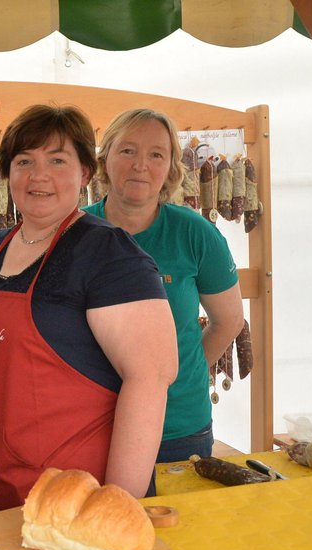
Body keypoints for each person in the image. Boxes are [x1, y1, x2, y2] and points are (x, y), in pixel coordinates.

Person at [0, 104, 178, 514]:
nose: (39, 176)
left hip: (71, 499)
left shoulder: (108, 252)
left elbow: (151, 376)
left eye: (57, 160)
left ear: (85, 173)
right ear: (7, 174)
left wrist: (118, 504)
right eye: (25, 161)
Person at [83, 108, 244, 463]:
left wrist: (179, 373)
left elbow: (229, 320)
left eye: (156, 154)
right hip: (91, 425)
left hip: (179, 427)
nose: (141, 165)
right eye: (127, 151)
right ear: (105, 158)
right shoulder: (76, 231)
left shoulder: (195, 233)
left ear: (171, 167)